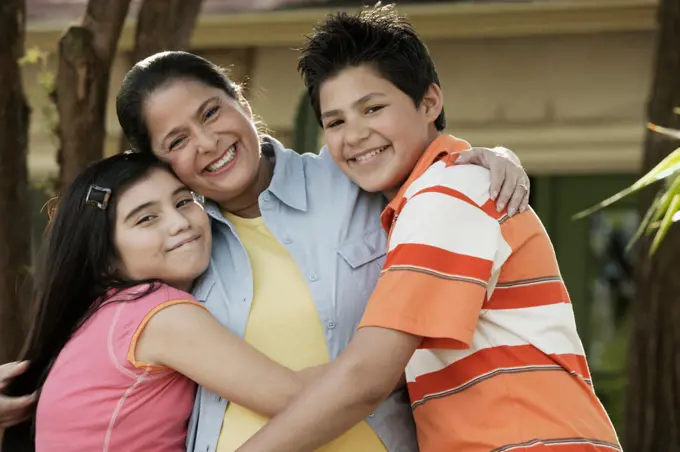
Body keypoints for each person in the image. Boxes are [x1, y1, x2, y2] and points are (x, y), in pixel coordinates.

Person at [1, 50, 530, 451]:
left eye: (211, 113)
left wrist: (479, 155)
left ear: (243, 103)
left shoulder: (352, 179)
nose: (207, 143)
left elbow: (422, 162)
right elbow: (104, 356)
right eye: (177, 141)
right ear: (157, 164)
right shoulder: (175, 249)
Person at [237, 6, 621, 452]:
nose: (355, 134)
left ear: (429, 102)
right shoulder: (426, 199)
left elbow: (366, 378)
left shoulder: (448, 191)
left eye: (373, 108)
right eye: (336, 121)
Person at [3, 153, 335, 451]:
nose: (179, 223)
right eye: (146, 219)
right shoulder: (158, 314)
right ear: (105, 259)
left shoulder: (100, 316)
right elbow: (293, 398)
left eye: (183, 202)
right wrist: (382, 353)